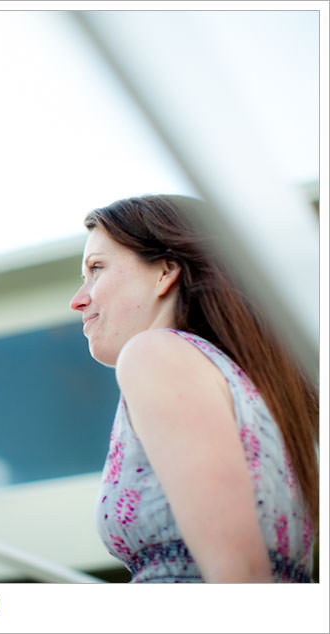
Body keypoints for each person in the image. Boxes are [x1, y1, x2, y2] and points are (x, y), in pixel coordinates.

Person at [69, 194, 317, 583]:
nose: (78, 300)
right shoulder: (257, 391)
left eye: (97, 268)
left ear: (166, 271)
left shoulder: (155, 354)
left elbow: (239, 571)